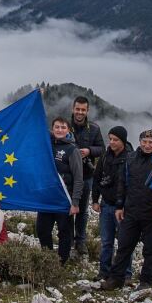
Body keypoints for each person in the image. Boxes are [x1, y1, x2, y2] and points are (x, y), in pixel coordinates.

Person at [101, 128, 152, 292]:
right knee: (124, 247)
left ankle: (146, 280)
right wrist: (119, 206)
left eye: (151, 142)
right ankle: (116, 278)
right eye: (144, 142)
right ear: (140, 142)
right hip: (131, 212)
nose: (147, 145)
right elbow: (122, 183)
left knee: (150, 249)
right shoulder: (130, 158)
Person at [36, 117, 83, 264]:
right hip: (46, 198)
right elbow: (36, 125)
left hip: (64, 199)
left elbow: (78, 178)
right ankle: (48, 260)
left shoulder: (72, 149)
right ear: (52, 128)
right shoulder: (47, 144)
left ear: (68, 130)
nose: (60, 130)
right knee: (42, 230)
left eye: (63, 127)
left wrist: (75, 203)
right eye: (57, 127)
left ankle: (61, 263)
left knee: (64, 232)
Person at [90, 125, 133, 282]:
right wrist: (95, 200)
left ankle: (126, 274)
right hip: (106, 204)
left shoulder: (130, 158)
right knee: (106, 241)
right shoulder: (104, 156)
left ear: (123, 140)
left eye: (115, 139)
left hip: (123, 208)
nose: (112, 142)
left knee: (124, 242)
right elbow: (96, 178)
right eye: (110, 139)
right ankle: (104, 271)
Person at [70, 96, 105, 257]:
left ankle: (80, 240)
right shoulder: (65, 126)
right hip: (67, 176)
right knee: (68, 208)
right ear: (73, 108)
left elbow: (102, 149)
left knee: (82, 210)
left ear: (87, 111)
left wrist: (89, 151)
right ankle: (68, 238)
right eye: (77, 109)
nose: (80, 112)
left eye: (83, 109)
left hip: (86, 175)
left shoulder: (94, 129)